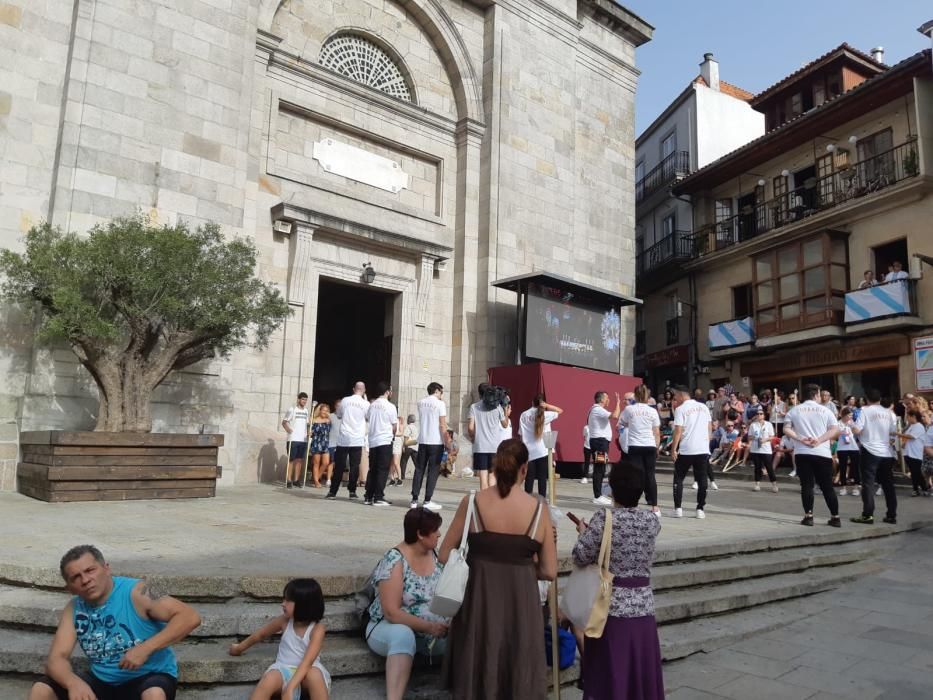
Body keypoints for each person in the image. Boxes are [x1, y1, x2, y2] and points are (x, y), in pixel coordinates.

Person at [440, 438, 557, 699]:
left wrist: (476, 563)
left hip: (478, 599)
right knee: (517, 668)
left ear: (495, 465)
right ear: (524, 469)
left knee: (478, 661)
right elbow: (549, 570)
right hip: (520, 602)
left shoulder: (473, 502)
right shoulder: (538, 509)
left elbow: (445, 552)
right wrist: (524, 566)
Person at [29, 545, 200, 700]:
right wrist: (73, 683)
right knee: (41, 690)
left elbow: (190, 616)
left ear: (106, 568)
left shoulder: (142, 589)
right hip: (102, 682)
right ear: (70, 588)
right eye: (76, 577)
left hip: (149, 677)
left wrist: (146, 648)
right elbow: (55, 659)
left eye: (90, 570)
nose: (85, 580)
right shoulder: (73, 608)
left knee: (153, 694)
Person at [572, 464, 664, 699]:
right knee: (638, 671)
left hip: (610, 608)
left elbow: (580, 555)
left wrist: (584, 532)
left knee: (611, 672)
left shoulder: (605, 518)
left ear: (612, 490)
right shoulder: (651, 521)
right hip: (643, 606)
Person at [366, 508, 448, 700]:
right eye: (435, 530)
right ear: (420, 534)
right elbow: (392, 613)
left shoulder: (435, 556)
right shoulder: (394, 559)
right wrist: (429, 627)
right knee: (403, 635)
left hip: (434, 633)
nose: (439, 534)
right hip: (387, 628)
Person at [228, 579, 330, 700]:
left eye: (288, 600)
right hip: (284, 670)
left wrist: (291, 687)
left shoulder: (317, 629)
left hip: (307, 673)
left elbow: (307, 662)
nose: (283, 603)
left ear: (304, 604)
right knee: (268, 679)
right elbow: (260, 634)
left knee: (315, 675)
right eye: (283, 599)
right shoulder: (284, 621)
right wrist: (239, 648)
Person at [784, 384, 841, 527]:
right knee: (827, 486)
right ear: (816, 395)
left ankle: (808, 516)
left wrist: (799, 438)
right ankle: (835, 517)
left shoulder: (795, 410)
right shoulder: (826, 410)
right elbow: (835, 429)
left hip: (803, 452)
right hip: (822, 452)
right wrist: (820, 440)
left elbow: (786, 429)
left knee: (807, 485)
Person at [851, 388, 898, 524]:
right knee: (888, 484)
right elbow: (892, 433)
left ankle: (868, 515)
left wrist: (852, 425)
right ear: (880, 399)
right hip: (886, 452)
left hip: (869, 450)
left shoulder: (865, 410)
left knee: (868, 483)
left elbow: (858, 430)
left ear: (866, 399)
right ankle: (891, 515)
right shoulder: (889, 413)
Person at [670, 386, 713, 519]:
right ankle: (700, 509)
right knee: (702, 479)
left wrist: (673, 449)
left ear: (682, 396)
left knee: (678, 478)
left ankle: (678, 509)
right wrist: (707, 442)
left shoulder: (680, 409)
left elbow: (678, 430)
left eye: (676, 398)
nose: (675, 401)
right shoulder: (704, 407)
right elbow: (709, 427)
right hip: (702, 448)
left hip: (687, 448)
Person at [620, 384, 661, 515]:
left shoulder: (629, 409)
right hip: (649, 445)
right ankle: (655, 507)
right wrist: (657, 447)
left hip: (635, 445)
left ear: (635, 396)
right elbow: (656, 432)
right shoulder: (652, 411)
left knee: (636, 476)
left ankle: (634, 504)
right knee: (650, 476)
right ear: (647, 396)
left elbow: (623, 423)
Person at [411, 382, 451, 511]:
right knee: (433, 471)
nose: (442, 395)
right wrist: (447, 442)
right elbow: (442, 425)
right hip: (436, 441)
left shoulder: (421, 402)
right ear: (437, 391)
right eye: (441, 392)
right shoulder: (440, 404)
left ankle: (414, 499)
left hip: (423, 440)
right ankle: (427, 499)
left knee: (419, 469)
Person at [326, 382, 369, 501]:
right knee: (354, 466)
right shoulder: (365, 404)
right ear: (364, 390)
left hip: (344, 438)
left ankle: (333, 492)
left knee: (339, 466)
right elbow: (368, 417)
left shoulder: (345, 400)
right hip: (357, 439)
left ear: (353, 389)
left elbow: (339, 415)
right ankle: (352, 491)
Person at [467, 383, 510, 491]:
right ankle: (492, 501)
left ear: (479, 393)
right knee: (492, 474)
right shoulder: (497, 407)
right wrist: (505, 411)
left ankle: (484, 502)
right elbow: (505, 425)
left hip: (480, 446)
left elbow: (470, 428)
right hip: (494, 446)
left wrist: (473, 438)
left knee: (483, 474)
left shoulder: (474, 407)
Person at [364, 382, 401, 506]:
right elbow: (394, 426)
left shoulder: (372, 405)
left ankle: (368, 496)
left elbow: (368, 418)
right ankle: (378, 496)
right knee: (382, 469)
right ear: (387, 392)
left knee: (373, 469)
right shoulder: (390, 406)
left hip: (373, 440)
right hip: (384, 440)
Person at [518, 394, 562, 497]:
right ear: (542, 404)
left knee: (529, 478)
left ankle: (527, 501)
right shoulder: (545, 415)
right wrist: (547, 405)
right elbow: (560, 411)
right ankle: (542, 501)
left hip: (528, 451)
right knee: (542, 478)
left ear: (532, 402)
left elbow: (520, 434)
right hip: (542, 450)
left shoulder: (523, 415)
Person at [587, 390, 622, 505]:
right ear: (602, 399)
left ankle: (599, 494)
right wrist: (618, 403)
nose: (608, 400)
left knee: (601, 468)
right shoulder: (598, 410)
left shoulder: (597, 409)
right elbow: (615, 416)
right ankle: (597, 496)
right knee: (599, 468)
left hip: (600, 442)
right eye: (607, 398)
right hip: (599, 442)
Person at [282, 392, 311, 488]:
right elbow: (284, 422)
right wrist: (288, 429)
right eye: (303, 399)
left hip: (302, 439)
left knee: (299, 460)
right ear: (298, 399)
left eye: (306, 400)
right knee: (291, 460)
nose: (304, 401)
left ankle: (296, 479)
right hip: (293, 439)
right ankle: (289, 480)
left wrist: (308, 432)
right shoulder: (292, 409)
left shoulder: (306, 411)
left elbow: (307, 424)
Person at [899, 409, 930, 497]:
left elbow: (911, 436)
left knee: (917, 472)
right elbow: (908, 437)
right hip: (908, 452)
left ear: (913, 417)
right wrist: (904, 443)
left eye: (908, 417)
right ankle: (916, 489)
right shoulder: (911, 426)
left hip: (916, 453)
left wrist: (898, 434)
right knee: (913, 472)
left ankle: (924, 488)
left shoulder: (919, 426)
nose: (907, 419)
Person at [748, 408, 777, 492]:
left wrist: (765, 440)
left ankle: (774, 484)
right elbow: (749, 436)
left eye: (761, 414)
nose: (759, 415)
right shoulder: (753, 425)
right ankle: (757, 484)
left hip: (766, 449)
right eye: (758, 414)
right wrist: (755, 437)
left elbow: (772, 436)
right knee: (757, 467)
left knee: (769, 467)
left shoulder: (768, 424)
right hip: (755, 449)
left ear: (764, 415)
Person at [836, 407, 861, 497]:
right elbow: (835, 435)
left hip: (853, 447)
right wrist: (841, 432)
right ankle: (843, 487)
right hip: (842, 448)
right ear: (844, 415)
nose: (851, 417)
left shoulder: (852, 423)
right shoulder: (838, 423)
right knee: (842, 467)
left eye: (852, 415)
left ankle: (856, 487)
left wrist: (852, 426)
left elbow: (858, 432)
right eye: (849, 415)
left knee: (855, 467)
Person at [308, 403, 331, 488]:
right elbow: (310, 431)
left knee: (326, 462)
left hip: (325, 442)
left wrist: (329, 416)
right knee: (316, 463)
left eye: (326, 410)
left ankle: (316, 478)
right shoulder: (314, 420)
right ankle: (316, 482)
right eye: (323, 410)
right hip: (316, 442)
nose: (324, 412)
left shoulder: (329, 420)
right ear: (320, 410)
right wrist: (309, 433)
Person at [326, 398, 341, 487]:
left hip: (342, 443)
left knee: (339, 463)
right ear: (335, 406)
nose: (340, 408)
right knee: (330, 462)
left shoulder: (346, 416)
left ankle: (337, 479)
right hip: (332, 442)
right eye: (338, 406)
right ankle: (328, 479)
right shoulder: (330, 416)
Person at [400, 414, 418, 482]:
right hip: (415, 447)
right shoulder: (416, 428)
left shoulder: (408, 427)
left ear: (408, 420)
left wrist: (404, 446)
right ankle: (419, 475)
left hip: (409, 446)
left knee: (403, 461)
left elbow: (406, 438)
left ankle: (402, 476)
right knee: (416, 462)